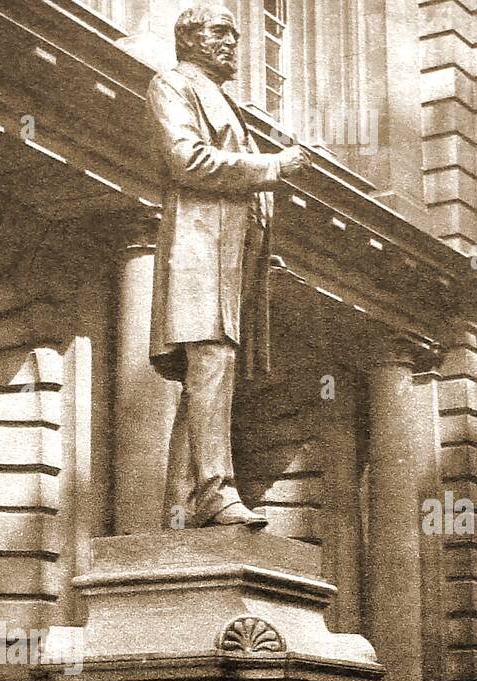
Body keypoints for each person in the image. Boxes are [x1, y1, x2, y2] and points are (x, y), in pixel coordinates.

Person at [147, 4, 312, 528]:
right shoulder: (173, 84)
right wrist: (273, 166)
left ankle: (180, 506)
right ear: (190, 38)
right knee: (211, 365)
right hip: (200, 255)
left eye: (235, 35)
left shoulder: (224, 100)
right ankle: (216, 492)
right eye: (221, 32)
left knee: (209, 380)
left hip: (233, 258)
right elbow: (187, 159)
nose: (233, 43)